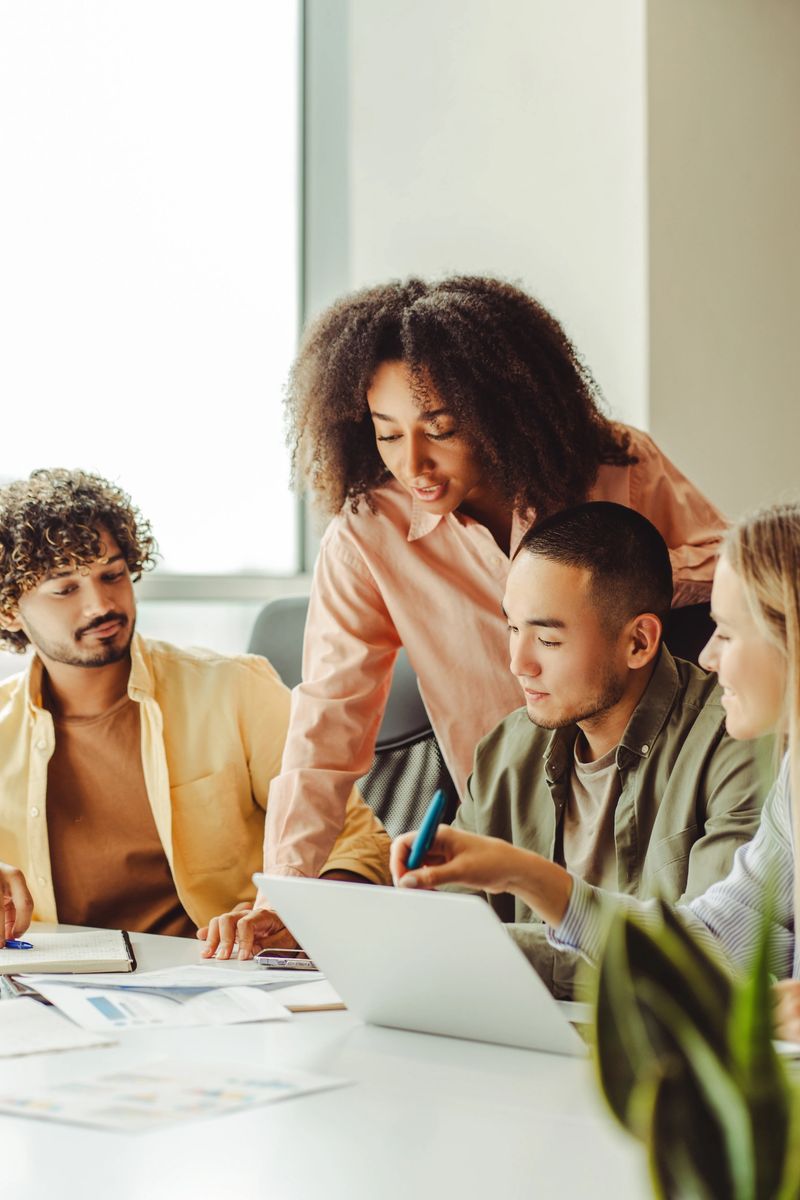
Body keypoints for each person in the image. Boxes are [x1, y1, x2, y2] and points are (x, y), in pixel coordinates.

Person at [224, 274, 727, 957]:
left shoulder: (612, 464)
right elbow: (326, 728)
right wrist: (285, 894)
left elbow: (739, 577)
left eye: (442, 430)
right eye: (387, 435)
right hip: (506, 827)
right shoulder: (368, 533)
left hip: (648, 810)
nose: (413, 464)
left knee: (652, 966)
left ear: (501, 409)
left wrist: (622, 578)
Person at [391, 501, 800, 1042]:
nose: (706, 655)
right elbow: (715, 943)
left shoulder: (740, 745)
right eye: (512, 628)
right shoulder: (793, 783)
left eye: (725, 632)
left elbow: (750, 964)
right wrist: (523, 875)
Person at [0, 469, 390, 952]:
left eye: (112, 575)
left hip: (220, 975)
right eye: (65, 589)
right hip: (52, 984)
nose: (100, 604)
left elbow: (359, 844)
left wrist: (299, 918)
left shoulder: (234, 688)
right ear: (9, 610)